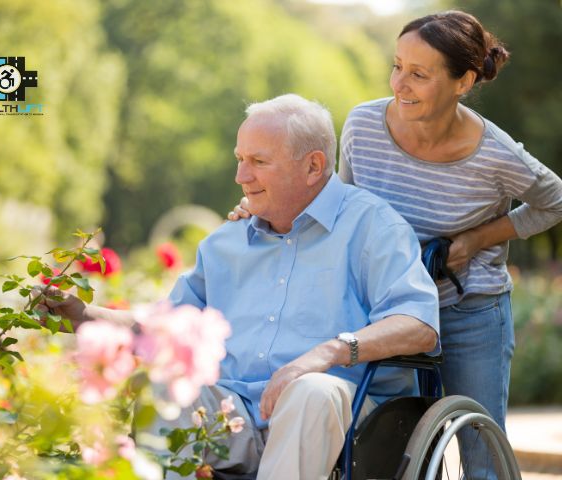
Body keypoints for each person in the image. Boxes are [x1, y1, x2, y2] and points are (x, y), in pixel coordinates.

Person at [227, 10, 562, 479]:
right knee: (379, 444)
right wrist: (262, 205)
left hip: (466, 306)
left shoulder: (495, 154)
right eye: (397, 65)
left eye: (419, 74)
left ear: (463, 81)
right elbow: (335, 204)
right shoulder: (364, 125)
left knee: (479, 455)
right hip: (382, 303)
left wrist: (478, 238)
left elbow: (555, 202)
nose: (399, 83)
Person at [43, 94, 440, 479]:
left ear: (313, 166)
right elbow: (167, 327)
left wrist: (327, 353)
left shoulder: (373, 227)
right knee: (164, 387)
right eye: (240, 160)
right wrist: (86, 315)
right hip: (235, 417)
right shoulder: (224, 243)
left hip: (345, 423)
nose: (241, 176)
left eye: (258, 162)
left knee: (312, 390)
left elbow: (418, 324)